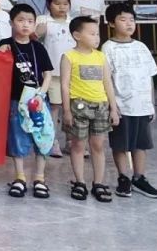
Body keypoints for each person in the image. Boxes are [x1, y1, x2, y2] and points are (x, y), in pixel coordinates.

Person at [102, 3, 157, 199]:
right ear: (111, 23)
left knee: (141, 143)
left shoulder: (141, 47)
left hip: (142, 105)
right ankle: (123, 177)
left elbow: (149, 77)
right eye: (123, 19)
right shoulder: (108, 48)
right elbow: (107, 80)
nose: (129, 24)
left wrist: (151, 104)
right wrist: (112, 107)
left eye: (132, 20)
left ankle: (139, 178)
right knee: (120, 144)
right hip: (121, 106)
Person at [61, 16, 120, 203]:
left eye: (98, 34)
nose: (97, 38)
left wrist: (113, 108)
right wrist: (66, 111)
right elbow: (64, 85)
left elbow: (107, 82)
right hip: (78, 106)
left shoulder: (100, 56)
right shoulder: (69, 56)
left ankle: (98, 182)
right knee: (78, 145)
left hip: (101, 105)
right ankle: (80, 182)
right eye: (92, 34)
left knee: (98, 145)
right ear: (77, 35)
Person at [0, 4, 54, 201]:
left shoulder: (38, 47)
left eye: (30, 21)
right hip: (16, 101)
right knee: (18, 137)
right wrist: (2, 51)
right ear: (11, 23)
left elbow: (48, 74)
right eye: (20, 20)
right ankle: (20, 177)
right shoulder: (6, 44)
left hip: (38, 101)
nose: (25, 25)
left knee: (43, 138)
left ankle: (39, 178)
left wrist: (41, 95)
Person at [36, 0, 75, 157]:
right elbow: (32, 39)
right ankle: (52, 141)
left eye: (65, 4)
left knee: (73, 108)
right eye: (57, 3)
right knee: (54, 107)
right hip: (52, 73)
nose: (62, 7)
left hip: (73, 73)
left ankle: (71, 141)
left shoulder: (73, 22)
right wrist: (38, 32)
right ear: (48, 4)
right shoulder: (43, 20)